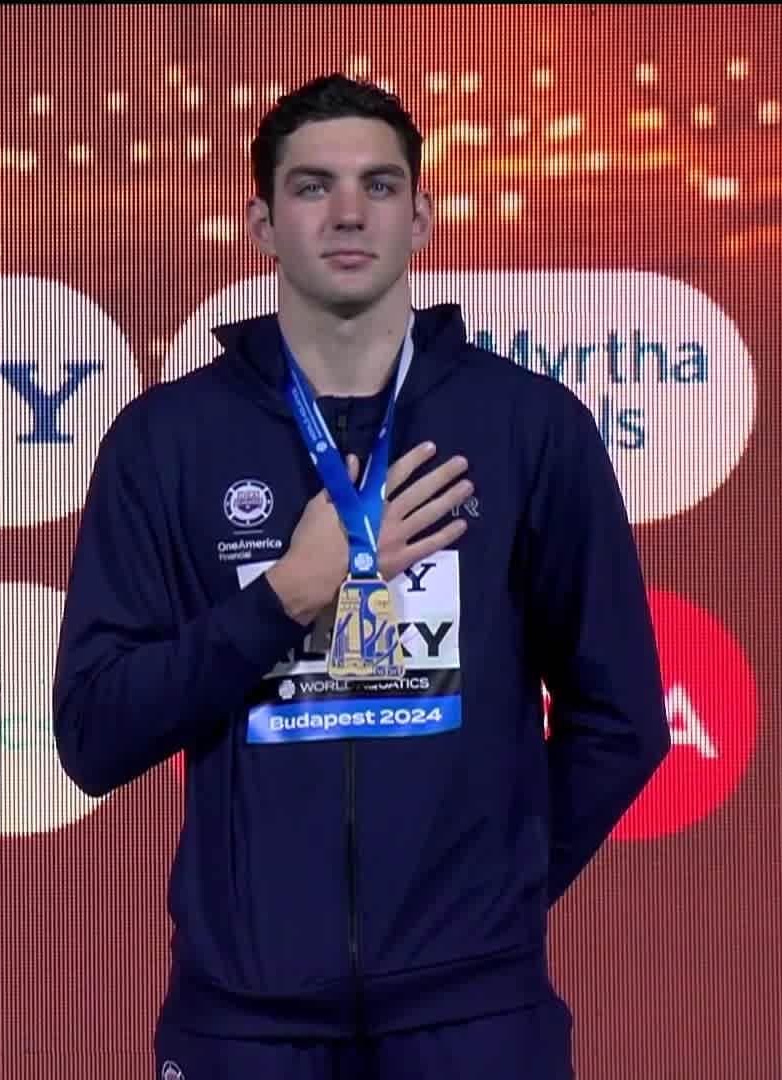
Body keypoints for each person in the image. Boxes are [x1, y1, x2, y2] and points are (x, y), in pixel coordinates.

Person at [53, 75, 670, 1080]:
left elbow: (623, 719)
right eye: (313, 187)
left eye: (379, 186)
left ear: (420, 217)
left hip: (475, 1016)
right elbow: (94, 733)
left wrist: (490, 902)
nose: (348, 212)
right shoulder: (168, 440)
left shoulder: (527, 427)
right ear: (261, 224)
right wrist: (284, 598)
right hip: (244, 1022)